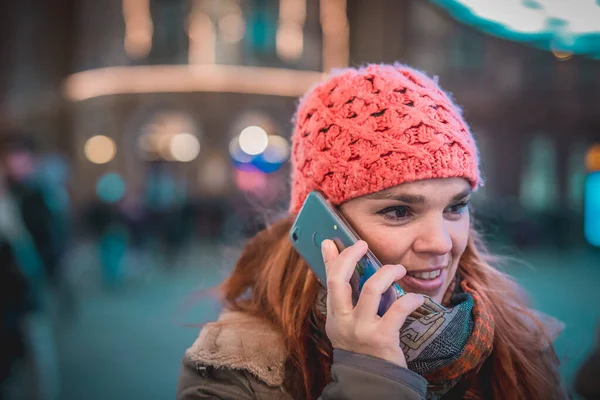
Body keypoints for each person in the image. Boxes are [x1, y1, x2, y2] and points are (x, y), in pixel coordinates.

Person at [177, 64, 566, 399]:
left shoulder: (520, 342)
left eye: (455, 207)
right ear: (322, 223)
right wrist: (369, 380)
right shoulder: (237, 367)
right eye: (399, 211)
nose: (441, 244)